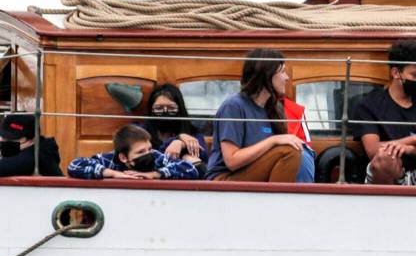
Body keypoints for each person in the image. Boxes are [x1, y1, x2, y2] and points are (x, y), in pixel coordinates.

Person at [353, 40, 416, 186]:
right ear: (395, 73)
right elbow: (373, 150)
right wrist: (414, 140)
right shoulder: (368, 105)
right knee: (386, 155)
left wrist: (405, 147)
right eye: (415, 75)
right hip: (386, 170)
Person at [205, 48, 305, 182]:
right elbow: (232, 161)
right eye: (282, 72)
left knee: (294, 149)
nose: (287, 78)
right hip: (224, 179)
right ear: (266, 75)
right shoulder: (233, 106)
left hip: (250, 173)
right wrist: (273, 140)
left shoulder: (273, 108)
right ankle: (277, 201)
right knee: (289, 152)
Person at [68, 124, 199, 180]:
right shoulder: (108, 159)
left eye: (149, 148)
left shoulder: (157, 157)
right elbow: (74, 165)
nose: (148, 153)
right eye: (141, 151)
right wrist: (113, 174)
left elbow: (190, 170)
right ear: (124, 157)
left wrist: (155, 174)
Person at [139, 84, 208, 177]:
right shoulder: (140, 131)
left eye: (171, 108)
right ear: (151, 110)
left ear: (180, 109)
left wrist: (180, 143)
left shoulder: (193, 133)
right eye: (158, 108)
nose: (165, 112)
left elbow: (203, 157)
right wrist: (179, 139)